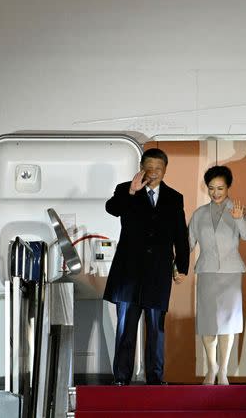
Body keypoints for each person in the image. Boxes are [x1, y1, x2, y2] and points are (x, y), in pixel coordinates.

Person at [103, 148, 190, 385]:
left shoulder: (174, 197)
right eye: (148, 168)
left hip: (158, 273)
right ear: (141, 167)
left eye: (158, 169)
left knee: (155, 329)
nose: (153, 173)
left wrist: (182, 266)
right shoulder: (126, 189)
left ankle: (155, 378)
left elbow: (181, 234)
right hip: (128, 273)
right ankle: (121, 378)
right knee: (126, 329)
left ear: (165, 170)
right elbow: (112, 209)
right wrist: (132, 191)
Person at [188, 165, 246, 385]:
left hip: (231, 272)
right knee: (208, 321)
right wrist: (174, 265)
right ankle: (211, 366)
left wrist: (238, 218)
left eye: (220, 188)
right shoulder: (199, 214)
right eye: (211, 188)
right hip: (207, 270)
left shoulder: (238, 209)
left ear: (228, 187)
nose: (215, 193)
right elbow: (187, 243)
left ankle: (224, 369)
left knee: (228, 322)